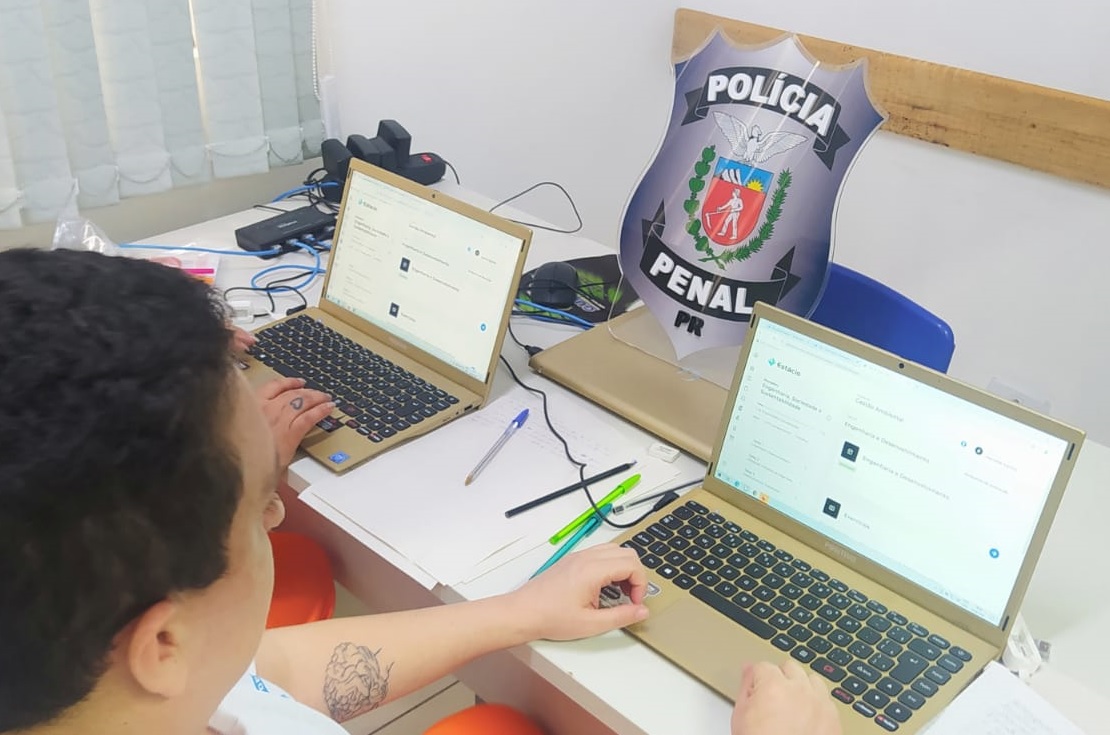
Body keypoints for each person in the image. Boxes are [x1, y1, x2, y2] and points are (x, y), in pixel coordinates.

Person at [0, 248, 839, 735]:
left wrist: (520, 612)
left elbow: (266, 673)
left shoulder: (126, 686)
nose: (280, 510)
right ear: (162, 642)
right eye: (260, 505)